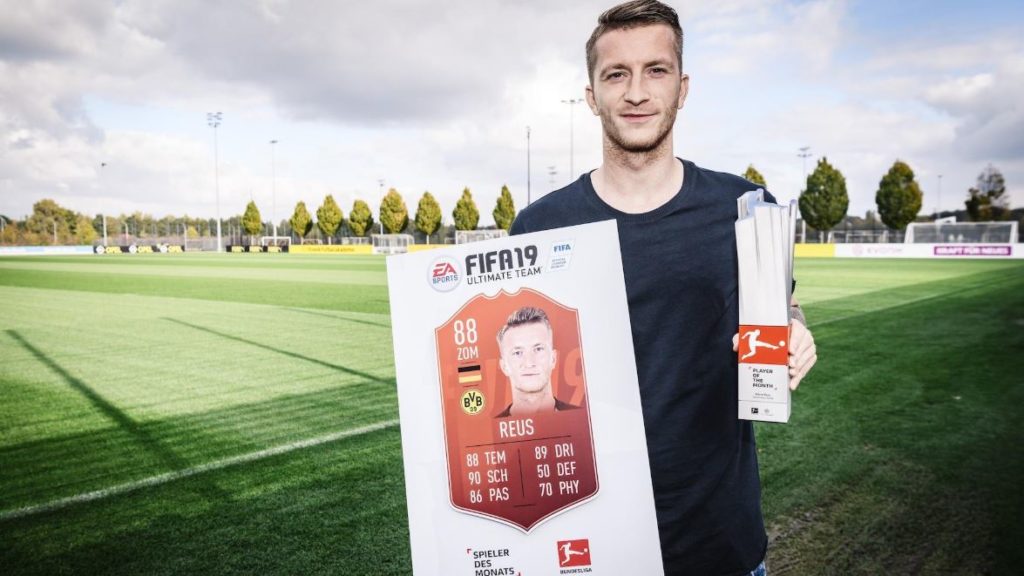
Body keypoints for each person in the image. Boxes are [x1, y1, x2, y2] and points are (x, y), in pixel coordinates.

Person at [509, 1, 817, 574]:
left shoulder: (744, 208)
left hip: (719, 541)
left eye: (656, 70)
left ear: (683, 87)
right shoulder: (539, 226)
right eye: (616, 75)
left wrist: (796, 331)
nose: (636, 92)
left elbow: (784, 306)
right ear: (592, 96)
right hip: (589, 544)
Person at [494, 306, 579, 417]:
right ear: (504, 366)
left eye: (538, 349)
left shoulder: (579, 417)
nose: (529, 363)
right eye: (517, 353)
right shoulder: (491, 427)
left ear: (553, 359)